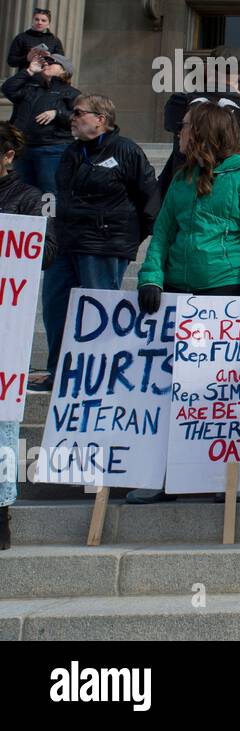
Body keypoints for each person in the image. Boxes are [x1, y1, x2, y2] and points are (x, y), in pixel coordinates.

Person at [128, 101, 240, 504]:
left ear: (202, 132)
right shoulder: (182, 179)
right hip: (178, 293)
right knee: (169, 391)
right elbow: (162, 235)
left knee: (217, 394)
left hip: (227, 292)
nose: (177, 134)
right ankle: (166, 477)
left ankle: (224, 476)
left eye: (183, 128)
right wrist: (151, 277)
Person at [35, 96, 159, 392]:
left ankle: (99, 375)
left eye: (78, 113)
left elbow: (150, 199)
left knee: (98, 313)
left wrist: (130, 238)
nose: (71, 118)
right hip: (67, 243)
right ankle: (60, 371)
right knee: (56, 307)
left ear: (101, 118)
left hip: (104, 245)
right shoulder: (72, 151)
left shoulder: (126, 150)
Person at [0, 123, 55, 550]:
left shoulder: (29, 199)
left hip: (6, 326)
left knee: (3, 422)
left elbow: (47, 252)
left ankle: (1, 513)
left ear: (7, 157)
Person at [160, 46, 240, 197]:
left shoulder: (180, 101)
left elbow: (170, 124)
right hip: (234, 193)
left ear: (206, 69)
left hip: (186, 189)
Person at [1, 52, 78, 197]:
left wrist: (57, 113)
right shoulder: (31, 88)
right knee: (22, 192)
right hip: (25, 148)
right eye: (45, 61)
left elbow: (79, 117)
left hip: (52, 149)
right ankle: (27, 219)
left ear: (64, 70)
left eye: (52, 62)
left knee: (49, 192)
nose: (46, 64)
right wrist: (29, 71)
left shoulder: (72, 93)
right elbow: (7, 89)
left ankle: (50, 220)